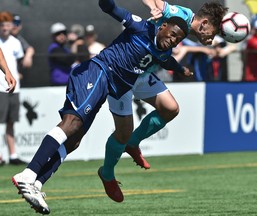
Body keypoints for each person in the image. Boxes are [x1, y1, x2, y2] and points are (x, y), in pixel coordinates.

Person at [12, 0, 191, 213]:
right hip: (98, 72)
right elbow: (110, 8)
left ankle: (37, 183)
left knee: (74, 140)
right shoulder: (141, 27)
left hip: (108, 87)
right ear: (162, 26)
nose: (173, 41)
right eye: (172, 34)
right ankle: (28, 174)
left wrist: (181, 69)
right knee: (72, 123)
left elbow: (167, 61)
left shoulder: (164, 52)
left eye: (178, 40)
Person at [106, 0, 227, 173]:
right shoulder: (183, 16)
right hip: (122, 71)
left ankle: (132, 143)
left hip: (142, 72)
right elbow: (158, 4)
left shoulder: (186, 29)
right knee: (122, 132)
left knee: (171, 109)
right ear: (204, 23)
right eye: (212, 33)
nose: (211, 38)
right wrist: (153, 7)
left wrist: (179, 68)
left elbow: (164, 56)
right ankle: (108, 173)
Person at [0, 11, 26, 165]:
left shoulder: (16, 42)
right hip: (0, 87)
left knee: (11, 122)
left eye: (7, 24)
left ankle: (13, 154)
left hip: (13, 87)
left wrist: (14, 74)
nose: (4, 28)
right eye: (2, 25)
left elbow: (20, 62)